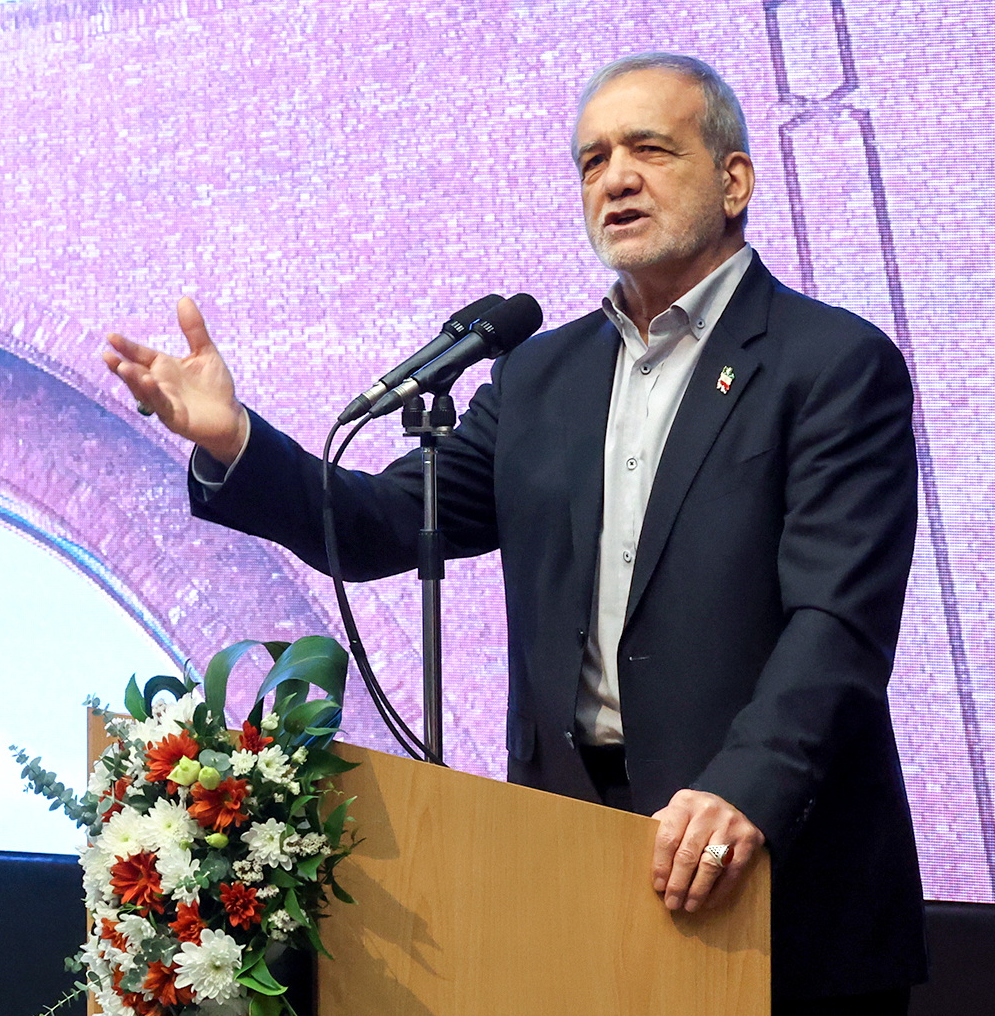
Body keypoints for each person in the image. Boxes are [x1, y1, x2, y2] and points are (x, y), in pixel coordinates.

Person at [102, 54, 926, 1014]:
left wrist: (747, 788)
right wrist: (233, 441)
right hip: (569, 858)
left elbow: (838, 622)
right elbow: (379, 525)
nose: (616, 178)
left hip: (773, 873)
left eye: (650, 150)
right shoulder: (541, 377)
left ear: (734, 181)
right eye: (593, 160)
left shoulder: (832, 364)